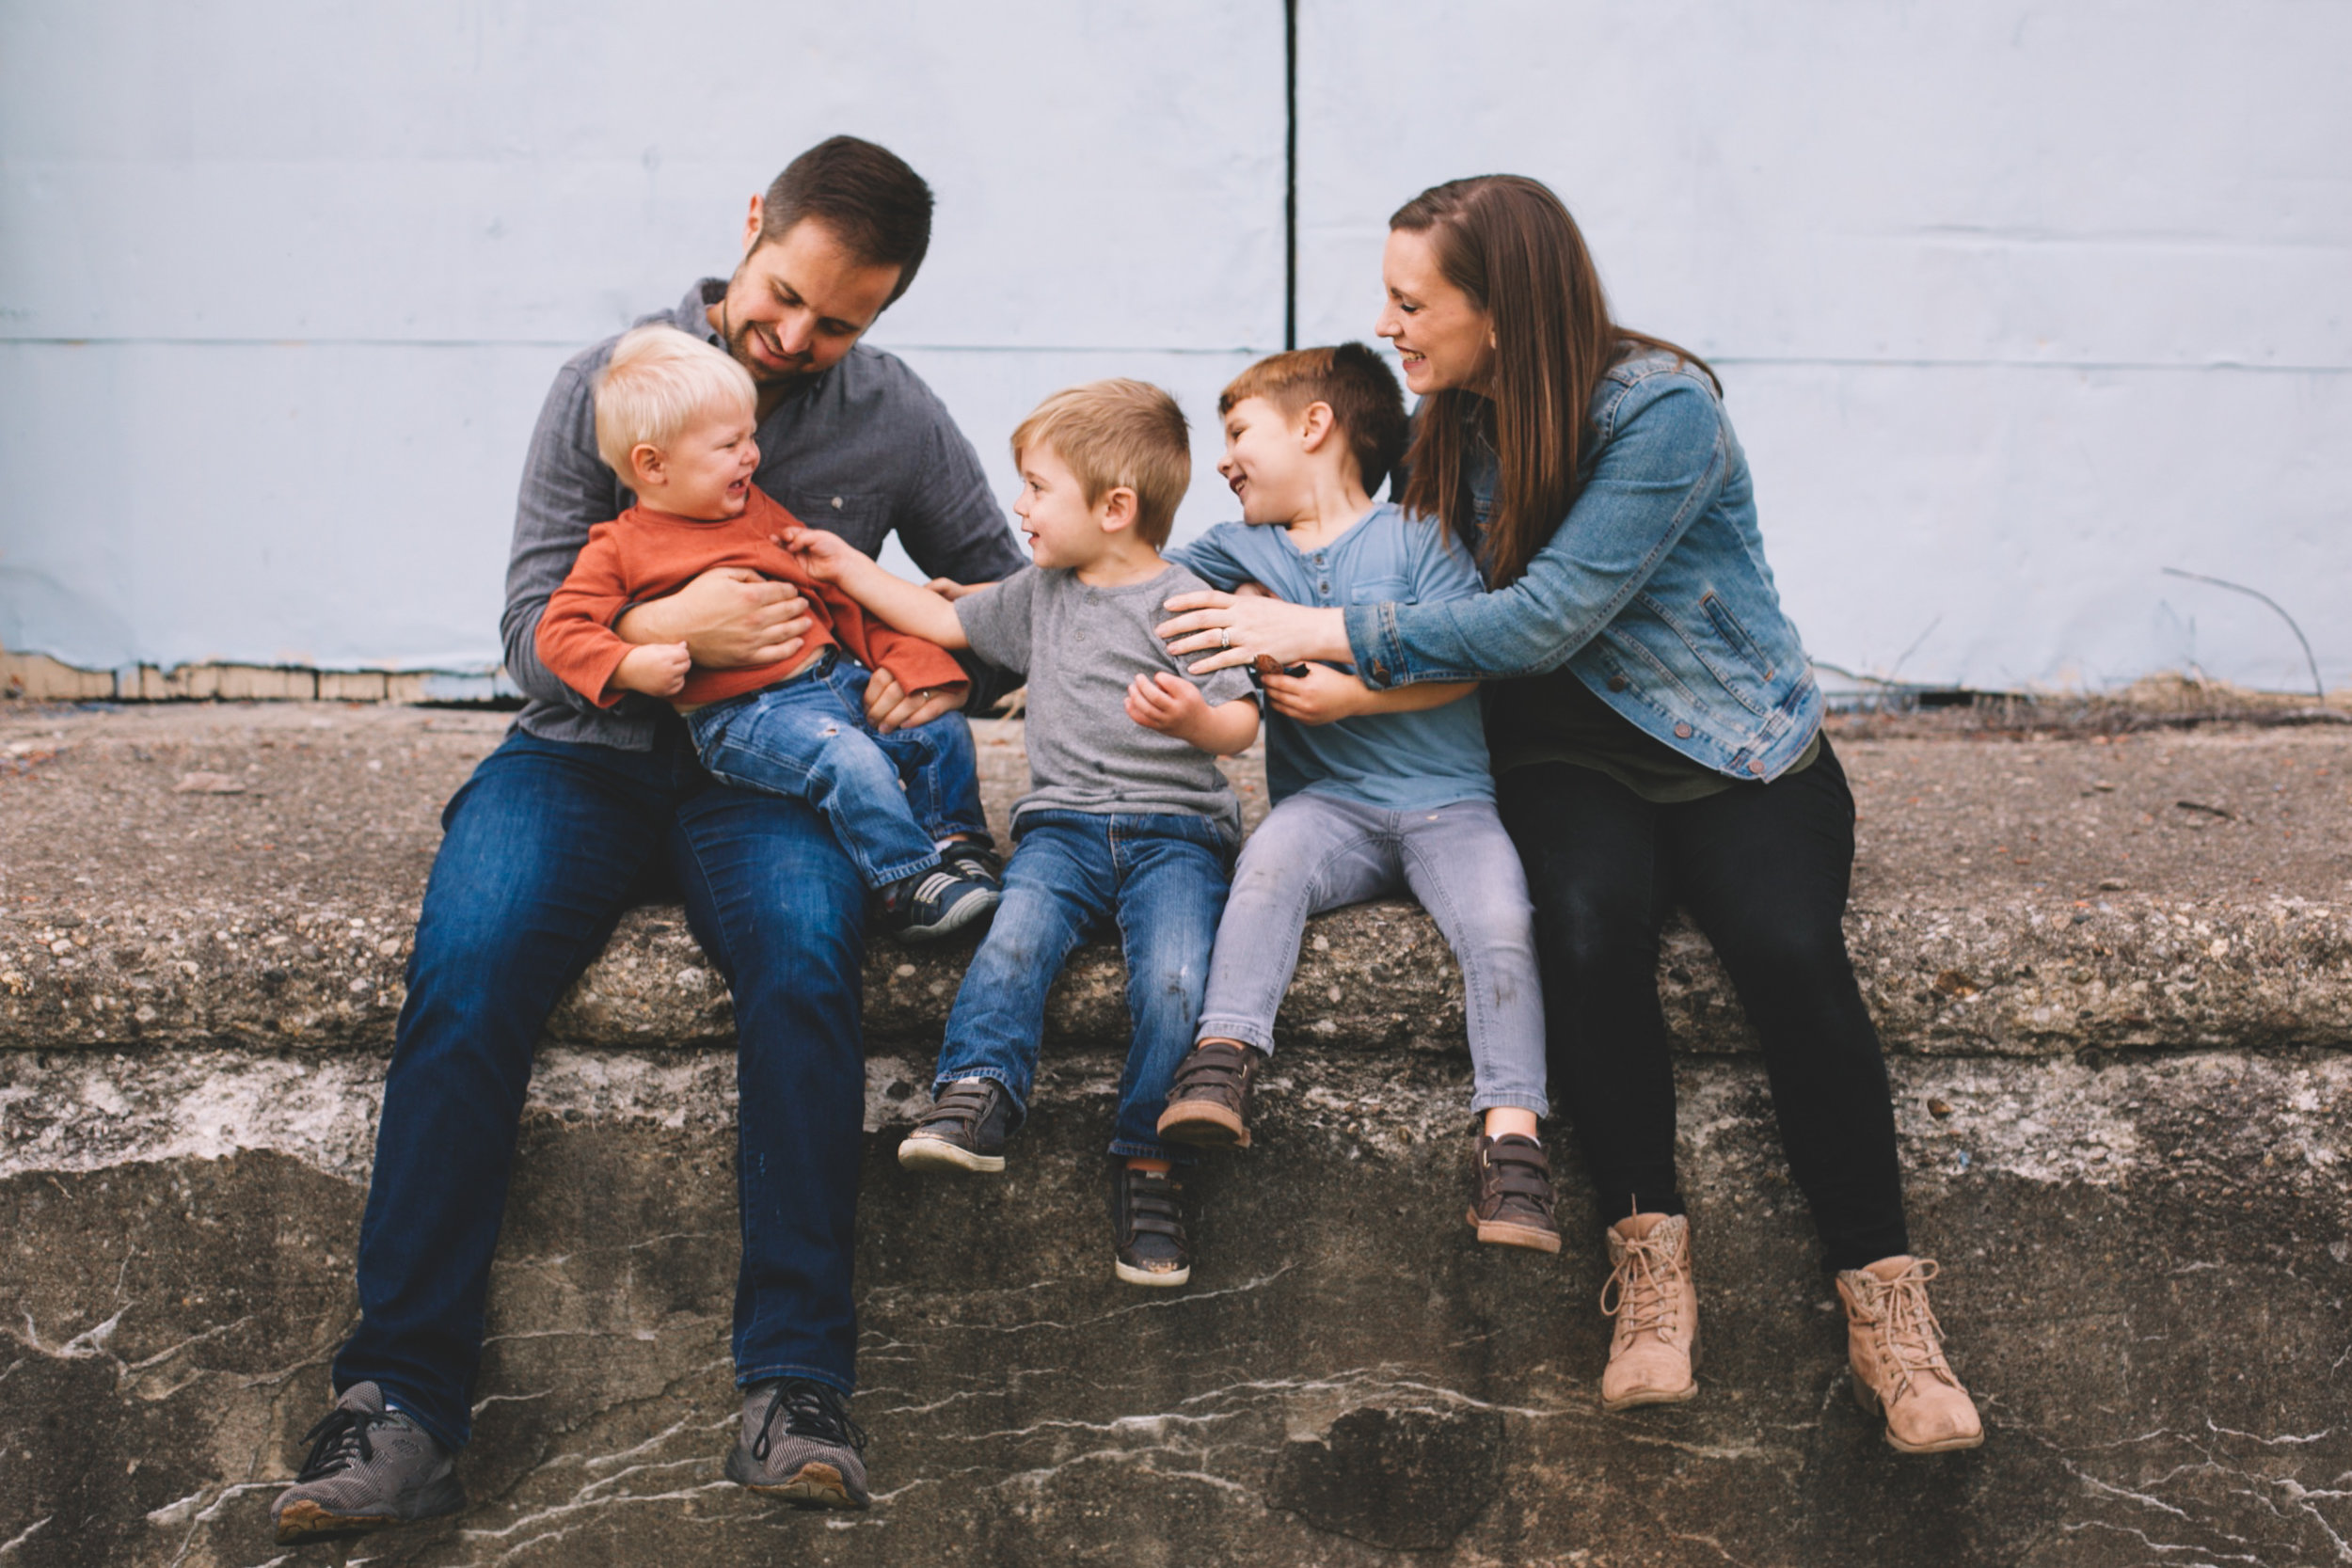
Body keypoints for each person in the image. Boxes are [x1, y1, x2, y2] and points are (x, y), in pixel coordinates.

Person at [268, 136, 1030, 1545]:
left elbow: (1001, 602)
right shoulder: (609, 384)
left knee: (810, 967)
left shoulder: (894, 415)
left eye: (840, 322)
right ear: (754, 223)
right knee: (469, 968)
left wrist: (941, 671)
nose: (796, 338)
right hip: (581, 760)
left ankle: (796, 1385)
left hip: (775, 785)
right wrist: (668, 632)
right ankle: (401, 1402)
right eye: (785, 293)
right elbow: (525, 638)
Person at [1156, 175, 1984, 1454]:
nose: (1389, 324)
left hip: (1730, 746)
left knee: (1787, 949)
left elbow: (1542, 615)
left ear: (1505, 306)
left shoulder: (1661, 414)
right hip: (1558, 754)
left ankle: (1887, 1308)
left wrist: (1320, 630)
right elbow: (1410, 595)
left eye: (1412, 300)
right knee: (1585, 930)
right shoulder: (1446, 424)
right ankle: (1650, 1270)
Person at [783, 379, 1260, 1289]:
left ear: (1116, 508)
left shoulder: (1188, 599)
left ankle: (1148, 1159)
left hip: (1176, 836)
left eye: (1039, 487)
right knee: (1013, 939)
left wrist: (1196, 720)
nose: (1019, 505)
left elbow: (1243, 722)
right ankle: (978, 1093)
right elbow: (941, 618)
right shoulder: (1039, 594)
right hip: (1064, 830)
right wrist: (847, 567)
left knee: (1174, 979)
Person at [1152, 343, 1558, 1252]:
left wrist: (1353, 694)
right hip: (1327, 802)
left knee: (1500, 922)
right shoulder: (1237, 548)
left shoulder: (1420, 534)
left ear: (1314, 426)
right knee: (1265, 870)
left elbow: (1464, 656)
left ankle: (1514, 1148)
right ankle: (1222, 1061)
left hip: (1449, 800)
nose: (1223, 459)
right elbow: (1139, 579)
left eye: (1238, 432)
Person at [535, 324, 1000, 943]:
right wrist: (628, 664)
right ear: (653, 464)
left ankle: (956, 843)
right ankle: (905, 884)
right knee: (848, 758)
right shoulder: (619, 547)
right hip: (744, 716)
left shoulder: (755, 508)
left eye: (751, 436)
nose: (752, 456)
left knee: (937, 728)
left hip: (831, 680)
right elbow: (557, 630)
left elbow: (833, 599)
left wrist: (913, 661)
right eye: (730, 444)